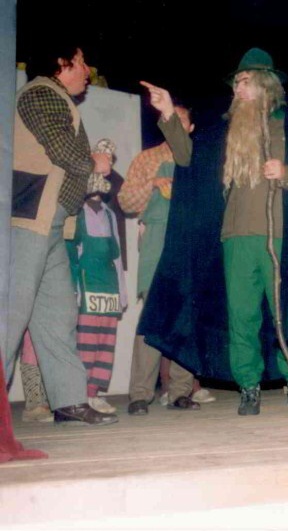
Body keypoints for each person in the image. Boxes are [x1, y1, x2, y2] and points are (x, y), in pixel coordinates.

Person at [138, 47, 288, 415]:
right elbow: (187, 157)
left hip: (281, 237)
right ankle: (249, 385)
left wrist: (286, 172)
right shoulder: (225, 130)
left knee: (287, 312)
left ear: (265, 84)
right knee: (242, 315)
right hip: (235, 237)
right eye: (236, 83)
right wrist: (167, 112)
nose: (238, 88)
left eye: (245, 82)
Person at [6, 42, 117, 425]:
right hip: (30, 218)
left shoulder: (55, 97)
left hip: (52, 221)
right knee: (12, 313)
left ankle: (69, 400)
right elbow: (62, 150)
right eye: (82, 62)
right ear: (61, 62)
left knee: (58, 314)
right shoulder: (41, 92)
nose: (87, 70)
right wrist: (95, 161)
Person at [118, 104, 204, 414]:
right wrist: (152, 184)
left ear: (190, 129)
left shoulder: (199, 158)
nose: (176, 124)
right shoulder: (147, 158)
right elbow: (126, 201)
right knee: (153, 315)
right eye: (171, 119)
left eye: (182, 120)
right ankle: (140, 394)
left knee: (186, 316)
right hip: (157, 237)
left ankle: (181, 391)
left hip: (189, 242)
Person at [66, 170, 128, 414]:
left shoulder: (110, 215)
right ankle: (82, 394)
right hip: (88, 284)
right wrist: (74, 291)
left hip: (109, 286)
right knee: (87, 342)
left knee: (106, 342)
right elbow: (72, 255)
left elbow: (117, 256)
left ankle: (95, 393)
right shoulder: (77, 213)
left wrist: (122, 292)